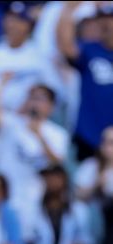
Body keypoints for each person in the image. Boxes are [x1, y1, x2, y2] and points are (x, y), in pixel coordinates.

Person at [0, 83, 69, 240]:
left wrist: (39, 135)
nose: (35, 102)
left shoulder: (58, 133)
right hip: (6, 192)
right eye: (32, 98)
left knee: (29, 238)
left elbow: (57, 163)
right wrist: (3, 83)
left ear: (51, 106)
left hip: (35, 197)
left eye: (40, 99)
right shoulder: (12, 123)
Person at [57, 3, 113, 161]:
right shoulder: (90, 49)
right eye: (102, 19)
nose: (106, 23)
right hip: (89, 134)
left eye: (110, 19)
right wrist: (68, 10)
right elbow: (66, 46)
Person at [0, 1, 51, 112]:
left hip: (28, 116)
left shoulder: (40, 55)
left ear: (28, 25)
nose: (12, 25)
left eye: (19, 20)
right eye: (9, 19)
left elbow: (49, 90)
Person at [34, 166, 94, 244]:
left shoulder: (78, 209)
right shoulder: (34, 209)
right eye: (48, 178)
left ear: (64, 180)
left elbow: (85, 240)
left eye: (56, 177)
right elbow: (31, 240)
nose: (52, 181)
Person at [74, 125, 113, 244]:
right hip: (94, 215)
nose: (109, 147)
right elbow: (78, 195)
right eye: (106, 142)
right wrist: (96, 184)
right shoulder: (91, 166)